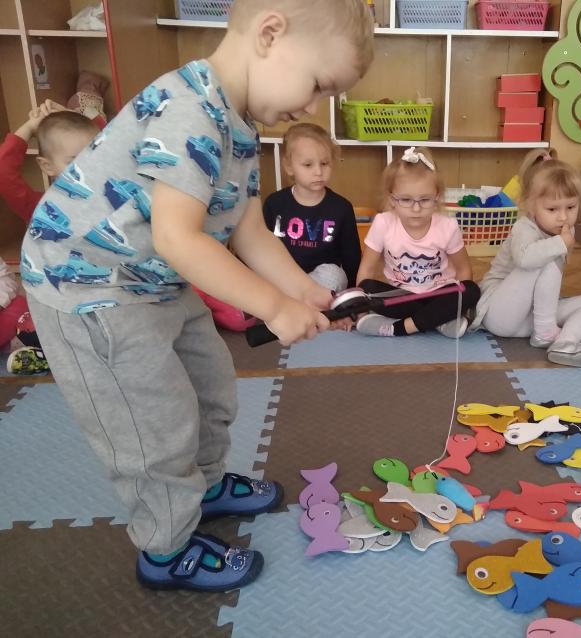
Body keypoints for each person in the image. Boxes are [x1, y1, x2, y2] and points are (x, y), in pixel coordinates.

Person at [20, 0, 374, 592]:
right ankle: (165, 548)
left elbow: (249, 229)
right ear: (270, 34)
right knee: (152, 424)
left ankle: (205, 486)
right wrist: (273, 307)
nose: (313, 107)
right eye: (318, 85)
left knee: (211, 385)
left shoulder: (241, 124)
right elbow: (178, 237)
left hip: (155, 279)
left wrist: (306, 291)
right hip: (90, 287)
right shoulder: (190, 109)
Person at [471, 157, 581, 367]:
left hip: (531, 320)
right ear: (531, 206)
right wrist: (560, 243)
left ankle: (564, 343)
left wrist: (561, 242)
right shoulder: (524, 228)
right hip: (499, 313)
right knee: (544, 259)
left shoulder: (566, 231)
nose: (563, 217)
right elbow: (525, 259)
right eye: (552, 209)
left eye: (571, 207)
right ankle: (546, 332)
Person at [0, 101, 100, 373]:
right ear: (47, 166)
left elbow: (116, 147)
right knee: (28, 320)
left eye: (94, 156)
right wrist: (30, 127)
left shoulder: (110, 196)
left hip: (108, 297)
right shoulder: (41, 207)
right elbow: (4, 171)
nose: (87, 168)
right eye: (74, 161)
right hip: (62, 302)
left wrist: (79, 116)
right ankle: (45, 352)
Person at [355, 147, 480, 338]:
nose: (416, 208)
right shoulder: (383, 223)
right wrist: (360, 309)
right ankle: (438, 320)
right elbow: (366, 269)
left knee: (471, 290)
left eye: (425, 200)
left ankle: (402, 327)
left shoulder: (447, 226)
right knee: (366, 287)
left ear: (437, 196)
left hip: (439, 294)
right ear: (392, 199)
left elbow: (464, 270)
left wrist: (460, 304)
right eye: (406, 200)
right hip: (402, 296)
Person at [263, 123, 360, 292]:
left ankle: (299, 301)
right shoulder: (274, 203)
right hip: (283, 276)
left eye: (324, 163)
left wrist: (354, 292)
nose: (318, 172)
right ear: (289, 167)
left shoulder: (342, 208)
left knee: (335, 274)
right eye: (308, 165)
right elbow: (260, 248)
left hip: (321, 283)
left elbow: (351, 257)